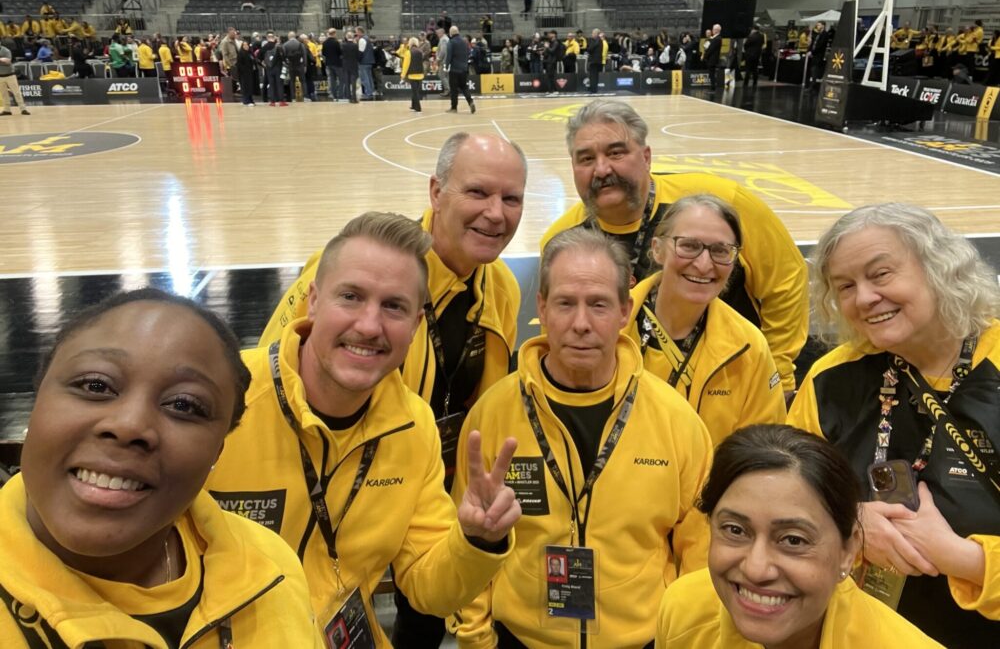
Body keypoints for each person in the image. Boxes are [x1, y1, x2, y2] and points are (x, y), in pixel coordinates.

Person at [206, 212, 522, 646]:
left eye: (394, 306)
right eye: (351, 297)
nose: (370, 326)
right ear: (313, 300)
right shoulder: (221, 399)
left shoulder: (413, 428)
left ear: (415, 325)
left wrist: (476, 542)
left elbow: (428, 590)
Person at [0, 289, 323, 648]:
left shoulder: (271, 564)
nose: (129, 426)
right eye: (96, 385)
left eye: (184, 405)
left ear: (218, 449)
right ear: (37, 397)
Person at [451, 227, 713, 648]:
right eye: (565, 304)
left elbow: (699, 550)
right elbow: (467, 540)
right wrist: (478, 639)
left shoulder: (675, 420)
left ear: (625, 311)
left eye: (599, 305)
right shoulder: (493, 413)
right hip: (521, 639)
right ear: (541, 307)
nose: (581, 324)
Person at [788, 203, 1000, 648]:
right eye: (845, 286)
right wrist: (849, 520)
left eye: (880, 274)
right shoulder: (830, 379)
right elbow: (788, 498)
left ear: (939, 268)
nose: (864, 297)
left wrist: (967, 560)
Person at [541, 99, 808, 395]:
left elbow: (787, 278)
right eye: (586, 159)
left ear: (646, 157)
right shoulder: (561, 241)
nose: (602, 169)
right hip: (626, 399)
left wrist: (776, 371)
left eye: (616, 152)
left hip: (731, 387)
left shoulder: (719, 200)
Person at [656, 424, 944, 648]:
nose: (756, 569)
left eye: (793, 540)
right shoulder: (684, 610)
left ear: (849, 550)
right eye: (735, 530)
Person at [625, 194, 785, 445]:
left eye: (721, 250)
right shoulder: (611, 326)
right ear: (657, 249)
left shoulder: (749, 347)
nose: (703, 264)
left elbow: (763, 451)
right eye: (689, 246)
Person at [445, 25, 475, 114]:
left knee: (454, 89)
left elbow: (449, 56)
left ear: (451, 33)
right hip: (464, 69)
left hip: (454, 69)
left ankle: (454, 108)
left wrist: (446, 66)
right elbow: (469, 53)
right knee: (464, 87)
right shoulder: (465, 42)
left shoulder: (451, 42)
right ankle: (470, 102)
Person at [0, 40, 29, 116]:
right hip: (0, 76)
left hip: (10, 75)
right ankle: (7, 110)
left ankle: (23, 109)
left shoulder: (6, 50)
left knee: (16, 92)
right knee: (3, 94)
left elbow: (8, 61)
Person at [261, 31, 287, 106]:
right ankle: (281, 101)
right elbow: (283, 57)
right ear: (274, 38)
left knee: (271, 85)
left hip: (269, 69)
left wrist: (263, 64)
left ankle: (272, 102)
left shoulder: (264, 47)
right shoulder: (279, 47)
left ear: (267, 38)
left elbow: (258, 57)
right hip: (278, 68)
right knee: (279, 84)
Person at [401, 36, 424, 112]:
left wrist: (403, 75)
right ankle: (413, 106)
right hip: (420, 74)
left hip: (412, 74)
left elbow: (405, 65)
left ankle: (418, 108)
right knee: (416, 91)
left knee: (415, 92)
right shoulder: (420, 52)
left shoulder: (408, 52)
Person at [322, 27, 344, 101]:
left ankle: (334, 95)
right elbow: (340, 52)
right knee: (341, 79)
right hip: (337, 63)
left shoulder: (324, 43)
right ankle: (341, 95)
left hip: (328, 63)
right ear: (334, 33)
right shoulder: (336, 42)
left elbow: (323, 53)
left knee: (332, 80)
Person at [341, 29, 360, 103]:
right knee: (353, 82)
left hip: (345, 65)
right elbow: (358, 56)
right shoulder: (355, 45)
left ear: (346, 37)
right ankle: (354, 98)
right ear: (352, 37)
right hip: (354, 65)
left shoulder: (343, 45)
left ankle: (348, 97)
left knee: (347, 82)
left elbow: (341, 55)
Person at [236, 40, 256, 107]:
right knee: (245, 87)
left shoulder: (250, 53)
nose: (245, 46)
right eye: (244, 45)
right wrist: (244, 70)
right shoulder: (241, 53)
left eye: (246, 45)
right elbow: (239, 65)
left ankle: (251, 100)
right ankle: (246, 100)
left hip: (250, 73)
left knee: (250, 87)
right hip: (244, 74)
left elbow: (254, 60)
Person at [704, 23, 723, 91]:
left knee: (712, 74)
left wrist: (705, 56)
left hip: (712, 59)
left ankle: (713, 88)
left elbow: (710, 49)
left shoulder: (717, 38)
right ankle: (712, 87)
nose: (712, 30)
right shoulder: (715, 38)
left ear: (716, 30)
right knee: (711, 73)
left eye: (713, 29)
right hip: (711, 59)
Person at [586, 27, 603, 94]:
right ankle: (593, 88)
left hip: (594, 60)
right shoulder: (599, 40)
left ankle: (593, 89)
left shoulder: (596, 40)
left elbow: (590, 49)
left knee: (593, 75)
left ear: (596, 34)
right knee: (594, 75)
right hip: (597, 60)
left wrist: (588, 48)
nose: (592, 34)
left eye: (593, 33)